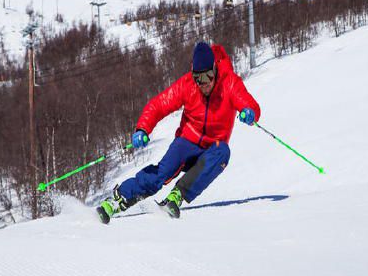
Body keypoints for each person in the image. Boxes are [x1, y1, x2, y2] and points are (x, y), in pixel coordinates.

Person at [97, 41, 261, 223]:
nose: (203, 83)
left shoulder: (229, 83)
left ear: (215, 70)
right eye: (198, 78)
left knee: (223, 152)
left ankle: (177, 196)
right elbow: (159, 105)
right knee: (161, 174)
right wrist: (143, 128)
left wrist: (249, 112)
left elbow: (249, 104)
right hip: (186, 142)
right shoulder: (188, 85)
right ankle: (118, 199)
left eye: (207, 77)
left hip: (212, 149)